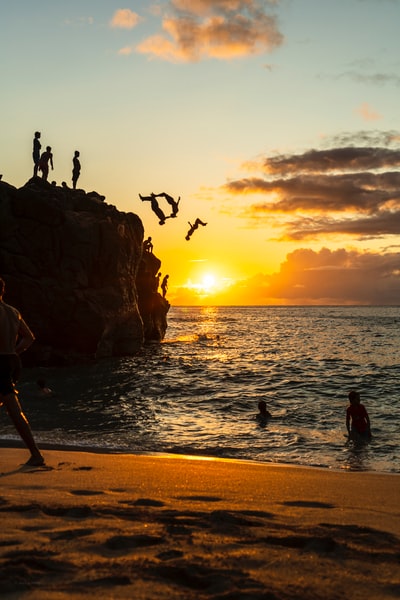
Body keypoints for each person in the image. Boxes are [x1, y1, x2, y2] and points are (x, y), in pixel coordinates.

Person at [0, 277, 45, 466]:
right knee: (10, 405)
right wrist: (14, 351)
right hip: (12, 362)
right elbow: (29, 338)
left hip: (0, 362)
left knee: (14, 409)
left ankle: (36, 454)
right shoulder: (13, 312)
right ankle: (35, 453)